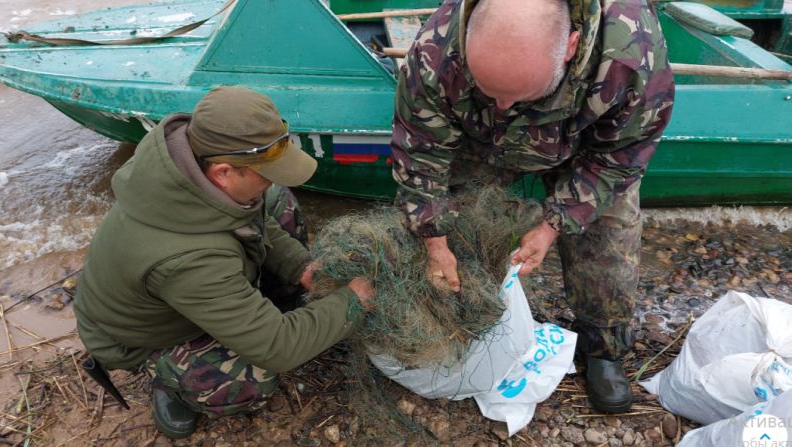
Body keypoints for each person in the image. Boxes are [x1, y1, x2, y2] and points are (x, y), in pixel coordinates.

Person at [391, 0, 675, 413]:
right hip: (482, 138)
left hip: (584, 143)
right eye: (490, 90)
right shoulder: (435, 51)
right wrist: (435, 240)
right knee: (461, 220)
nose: (505, 105)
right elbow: (420, 155)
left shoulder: (632, 55)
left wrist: (552, 225)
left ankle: (602, 346)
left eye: (518, 94)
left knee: (609, 229)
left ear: (571, 46)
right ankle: (468, 322)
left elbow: (620, 158)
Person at [75, 86, 373, 438]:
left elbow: (250, 220)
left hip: (191, 286)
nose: (273, 177)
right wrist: (354, 301)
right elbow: (277, 348)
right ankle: (168, 380)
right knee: (253, 381)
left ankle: (264, 309)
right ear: (223, 173)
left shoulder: (190, 163)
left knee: (277, 200)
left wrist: (300, 267)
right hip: (142, 337)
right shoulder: (190, 260)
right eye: (267, 170)